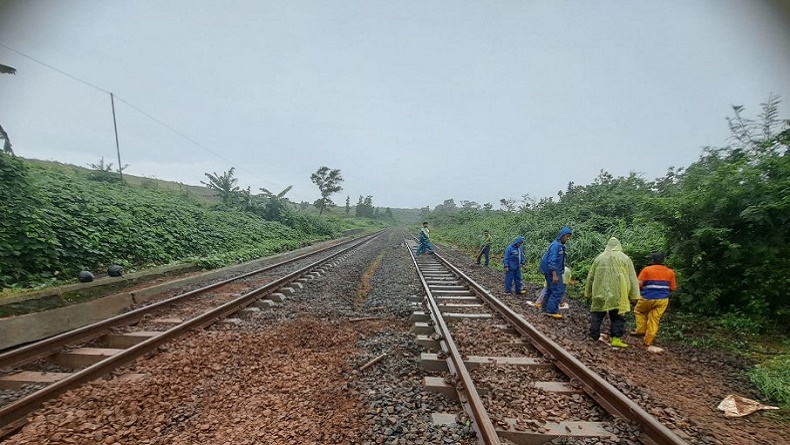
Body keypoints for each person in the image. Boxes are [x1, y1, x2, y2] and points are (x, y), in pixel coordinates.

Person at [584, 237, 640, 348]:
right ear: (619, 246)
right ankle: (616, 339)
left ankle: (593, 336)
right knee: (618, 317)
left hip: (600, 292)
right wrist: (634, 296)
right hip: (619, 294)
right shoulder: (625, 259)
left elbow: (591, 277)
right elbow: (632, 277)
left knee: (597, 315)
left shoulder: (599, 258)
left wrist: (588, 292)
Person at [633, 252, 677, 350]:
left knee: (639, 311)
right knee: (654, 319)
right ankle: (647, 341)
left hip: (647, 298)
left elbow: (639, 284)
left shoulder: (646, 270)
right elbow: (673, 288)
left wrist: (640, 292)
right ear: (663, 261)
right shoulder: (670, 272)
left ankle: (640, 330)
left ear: (652, 260)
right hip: (662, 300)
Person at [538, 227, 572, 318]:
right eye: (567, 236)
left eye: (569, 237)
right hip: (552, 271)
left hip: (553, 270)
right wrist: (554, 275)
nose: (568, 238)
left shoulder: (560, 245)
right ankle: (551, 311)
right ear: (562, 235)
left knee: (550, 289)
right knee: (557, 290)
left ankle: (545, 308)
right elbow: (552, 261)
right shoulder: (555, 246)